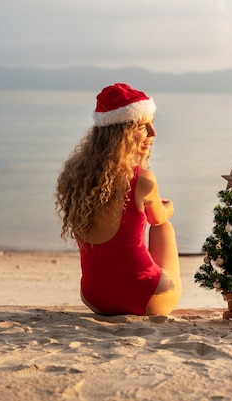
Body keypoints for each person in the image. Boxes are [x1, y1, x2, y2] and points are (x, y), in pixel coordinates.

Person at [55, 83, 181, 316]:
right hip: (145, 299)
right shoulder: (142, 180)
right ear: (121, 133)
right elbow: (158, 219)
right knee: (163, 226)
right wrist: (167, 208)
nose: (153, 133)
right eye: (144, 126)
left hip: (95, 299)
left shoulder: (75, 178)